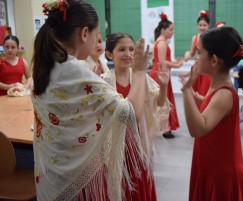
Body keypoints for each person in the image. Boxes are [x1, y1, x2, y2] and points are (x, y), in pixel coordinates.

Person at [31, 0, 149, 200]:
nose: (96, 43)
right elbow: (130, 113)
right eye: (97, 37)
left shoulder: (46, 64)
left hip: (52, 175)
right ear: (84, 34)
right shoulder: (76, 72)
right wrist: (138, 72)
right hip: (77, 182)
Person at [180, 26, 243, 201]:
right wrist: (195, 96)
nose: (196, 58)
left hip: (221, 173)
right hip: (211, 165)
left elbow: (198, 129)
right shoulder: (217, 85)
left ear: (214, 60)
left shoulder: (225, 93)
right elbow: (210, 106)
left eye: (199, 53)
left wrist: (186, 91)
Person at [102, 32, 170, 201]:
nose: (128, 54)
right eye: (122, 49)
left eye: (132, 49)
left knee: (138, 185)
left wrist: (163, 86)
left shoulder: (142, 79)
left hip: (138, 143)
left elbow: (159, 103)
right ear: (110, 54)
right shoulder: (104, 81)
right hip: (115, 145)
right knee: (118, 183)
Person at [149, 12, 183, 139]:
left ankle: (163, 128)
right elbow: (162, 62)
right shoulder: (162, 42)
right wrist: (177, 65)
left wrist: (174, 63)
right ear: (163, 30)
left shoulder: (161, 41)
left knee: (163, 101)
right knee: (163, 102)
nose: (172, 32)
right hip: (160, 74)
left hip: (160, 73)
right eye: (171, 29)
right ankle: (163, 129)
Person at [182, 10, 211, 100]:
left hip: (207, 70)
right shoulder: (195, 38)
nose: (202, 27)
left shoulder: (211, 37)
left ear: (208, 25)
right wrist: (187, 54)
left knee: (205, 94)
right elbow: (191, 53)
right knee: (195, 95)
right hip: (197, 70)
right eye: (200, 25)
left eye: (204, 25)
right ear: (197, 25)